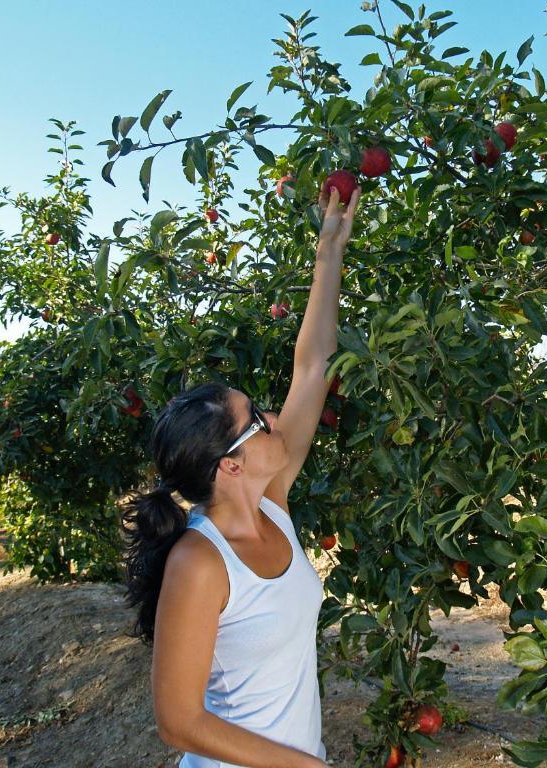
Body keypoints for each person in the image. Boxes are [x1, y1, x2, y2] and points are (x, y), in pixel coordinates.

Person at [121, 183, 360, 768]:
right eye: (257, 418)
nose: (275, 417)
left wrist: (328, 252)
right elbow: (178, 722)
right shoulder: (200, 564)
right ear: (231, 464)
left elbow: (312, 368)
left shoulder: (272, 502)